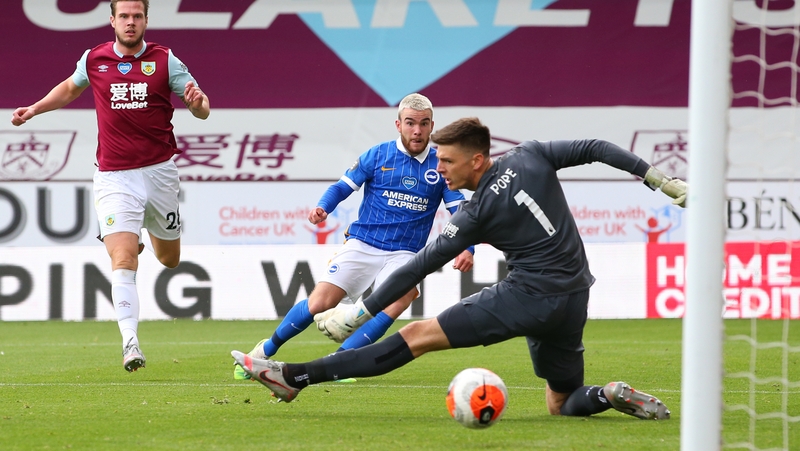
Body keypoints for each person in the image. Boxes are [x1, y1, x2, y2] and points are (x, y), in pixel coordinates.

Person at [232, 117, 687, 421]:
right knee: (561, 400)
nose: (439, 169)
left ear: (476, 159)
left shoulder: (477, 212)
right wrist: (657, 179)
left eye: (446, 161)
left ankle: (294, 377)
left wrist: (361, 311)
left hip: (526, 297)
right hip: (573, 299)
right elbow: (596, 147)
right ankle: (606, 395)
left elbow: (422, 265)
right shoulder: (532, 154)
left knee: (414, 338)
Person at [11, 0, 210, 372]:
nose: (130, 22)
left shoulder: (166, 61)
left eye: (137, 16)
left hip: (160, 174)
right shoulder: (94, 59)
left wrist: (198, 105)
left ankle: (139, 234)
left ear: (146, 20)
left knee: (169, 260)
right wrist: (35, 109)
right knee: (123, 259)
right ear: (112, 21)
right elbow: (70, 88)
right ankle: (130, 343)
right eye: (124, 16)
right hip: (114, 176)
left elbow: (199, 103)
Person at [233, 93, 475, 380]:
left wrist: (467, 247)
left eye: (423, 124)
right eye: (410, 123)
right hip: (363, 244)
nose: (417, 131)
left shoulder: (441, 163)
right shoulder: (377, 155)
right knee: (320, 303)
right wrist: (323, 207)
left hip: (404, 253)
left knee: (405, 294)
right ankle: (264, 351)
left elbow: (460, 210)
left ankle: (340, 361)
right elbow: (342, 187)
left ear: (432, 126)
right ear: (398, 124)